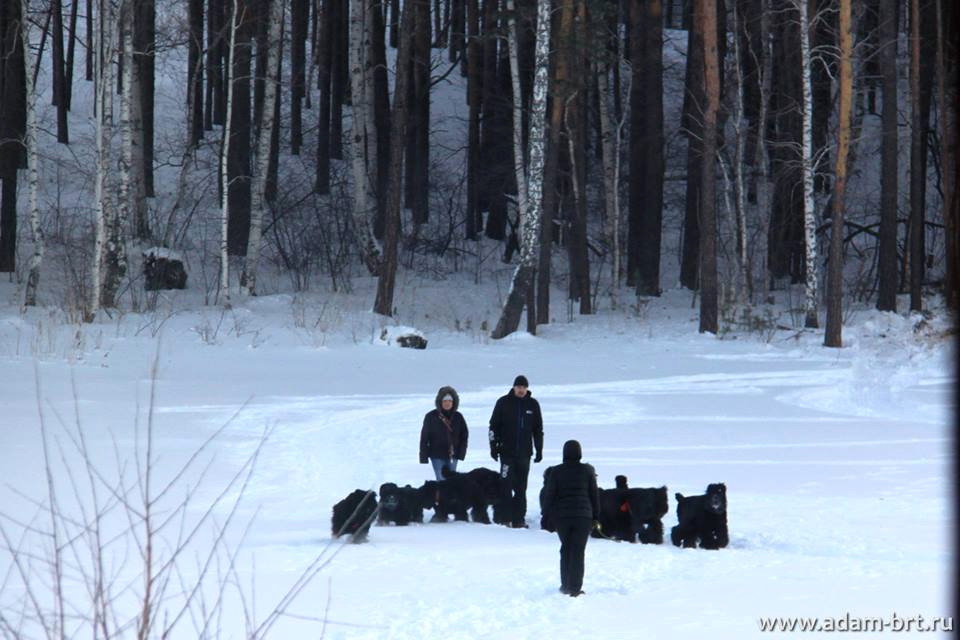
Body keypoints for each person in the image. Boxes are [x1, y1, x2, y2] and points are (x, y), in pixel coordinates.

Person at [540, 439, 600, 597]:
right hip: (583, 517)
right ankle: (575, 588)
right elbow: (594, 495)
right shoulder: (587, 470)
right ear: (580, 453)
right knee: (578, 551)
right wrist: (596, 516)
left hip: (562, 517)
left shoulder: (557, 471)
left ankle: (565, 585)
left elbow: (550, 494)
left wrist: (545, 514)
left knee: (566, 548)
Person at [488, 375, 543, 528]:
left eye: (524, 387)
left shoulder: (533, 404)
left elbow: (538, 430)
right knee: (505, 486)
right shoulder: (503, 402)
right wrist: (493, 447)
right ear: (514, 387)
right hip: (506, 453)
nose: (521, 390)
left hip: (525, 454)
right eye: (519, 387)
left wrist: (539, 449)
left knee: (521, 488)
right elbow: (493, 426)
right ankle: (505, 518)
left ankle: (519, 519)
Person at [420, 386, 469, 481]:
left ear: (454, 402)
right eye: (445, 401)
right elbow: (424, 437)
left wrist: (461, 453)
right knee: (441, 480)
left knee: (452, 481)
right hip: (436, 455)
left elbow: (464, 436)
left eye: (450, 401)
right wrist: (423, 456)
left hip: (453, 455)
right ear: (440, 402)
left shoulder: (458, 417)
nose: (447, 403)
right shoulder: (431, 416)